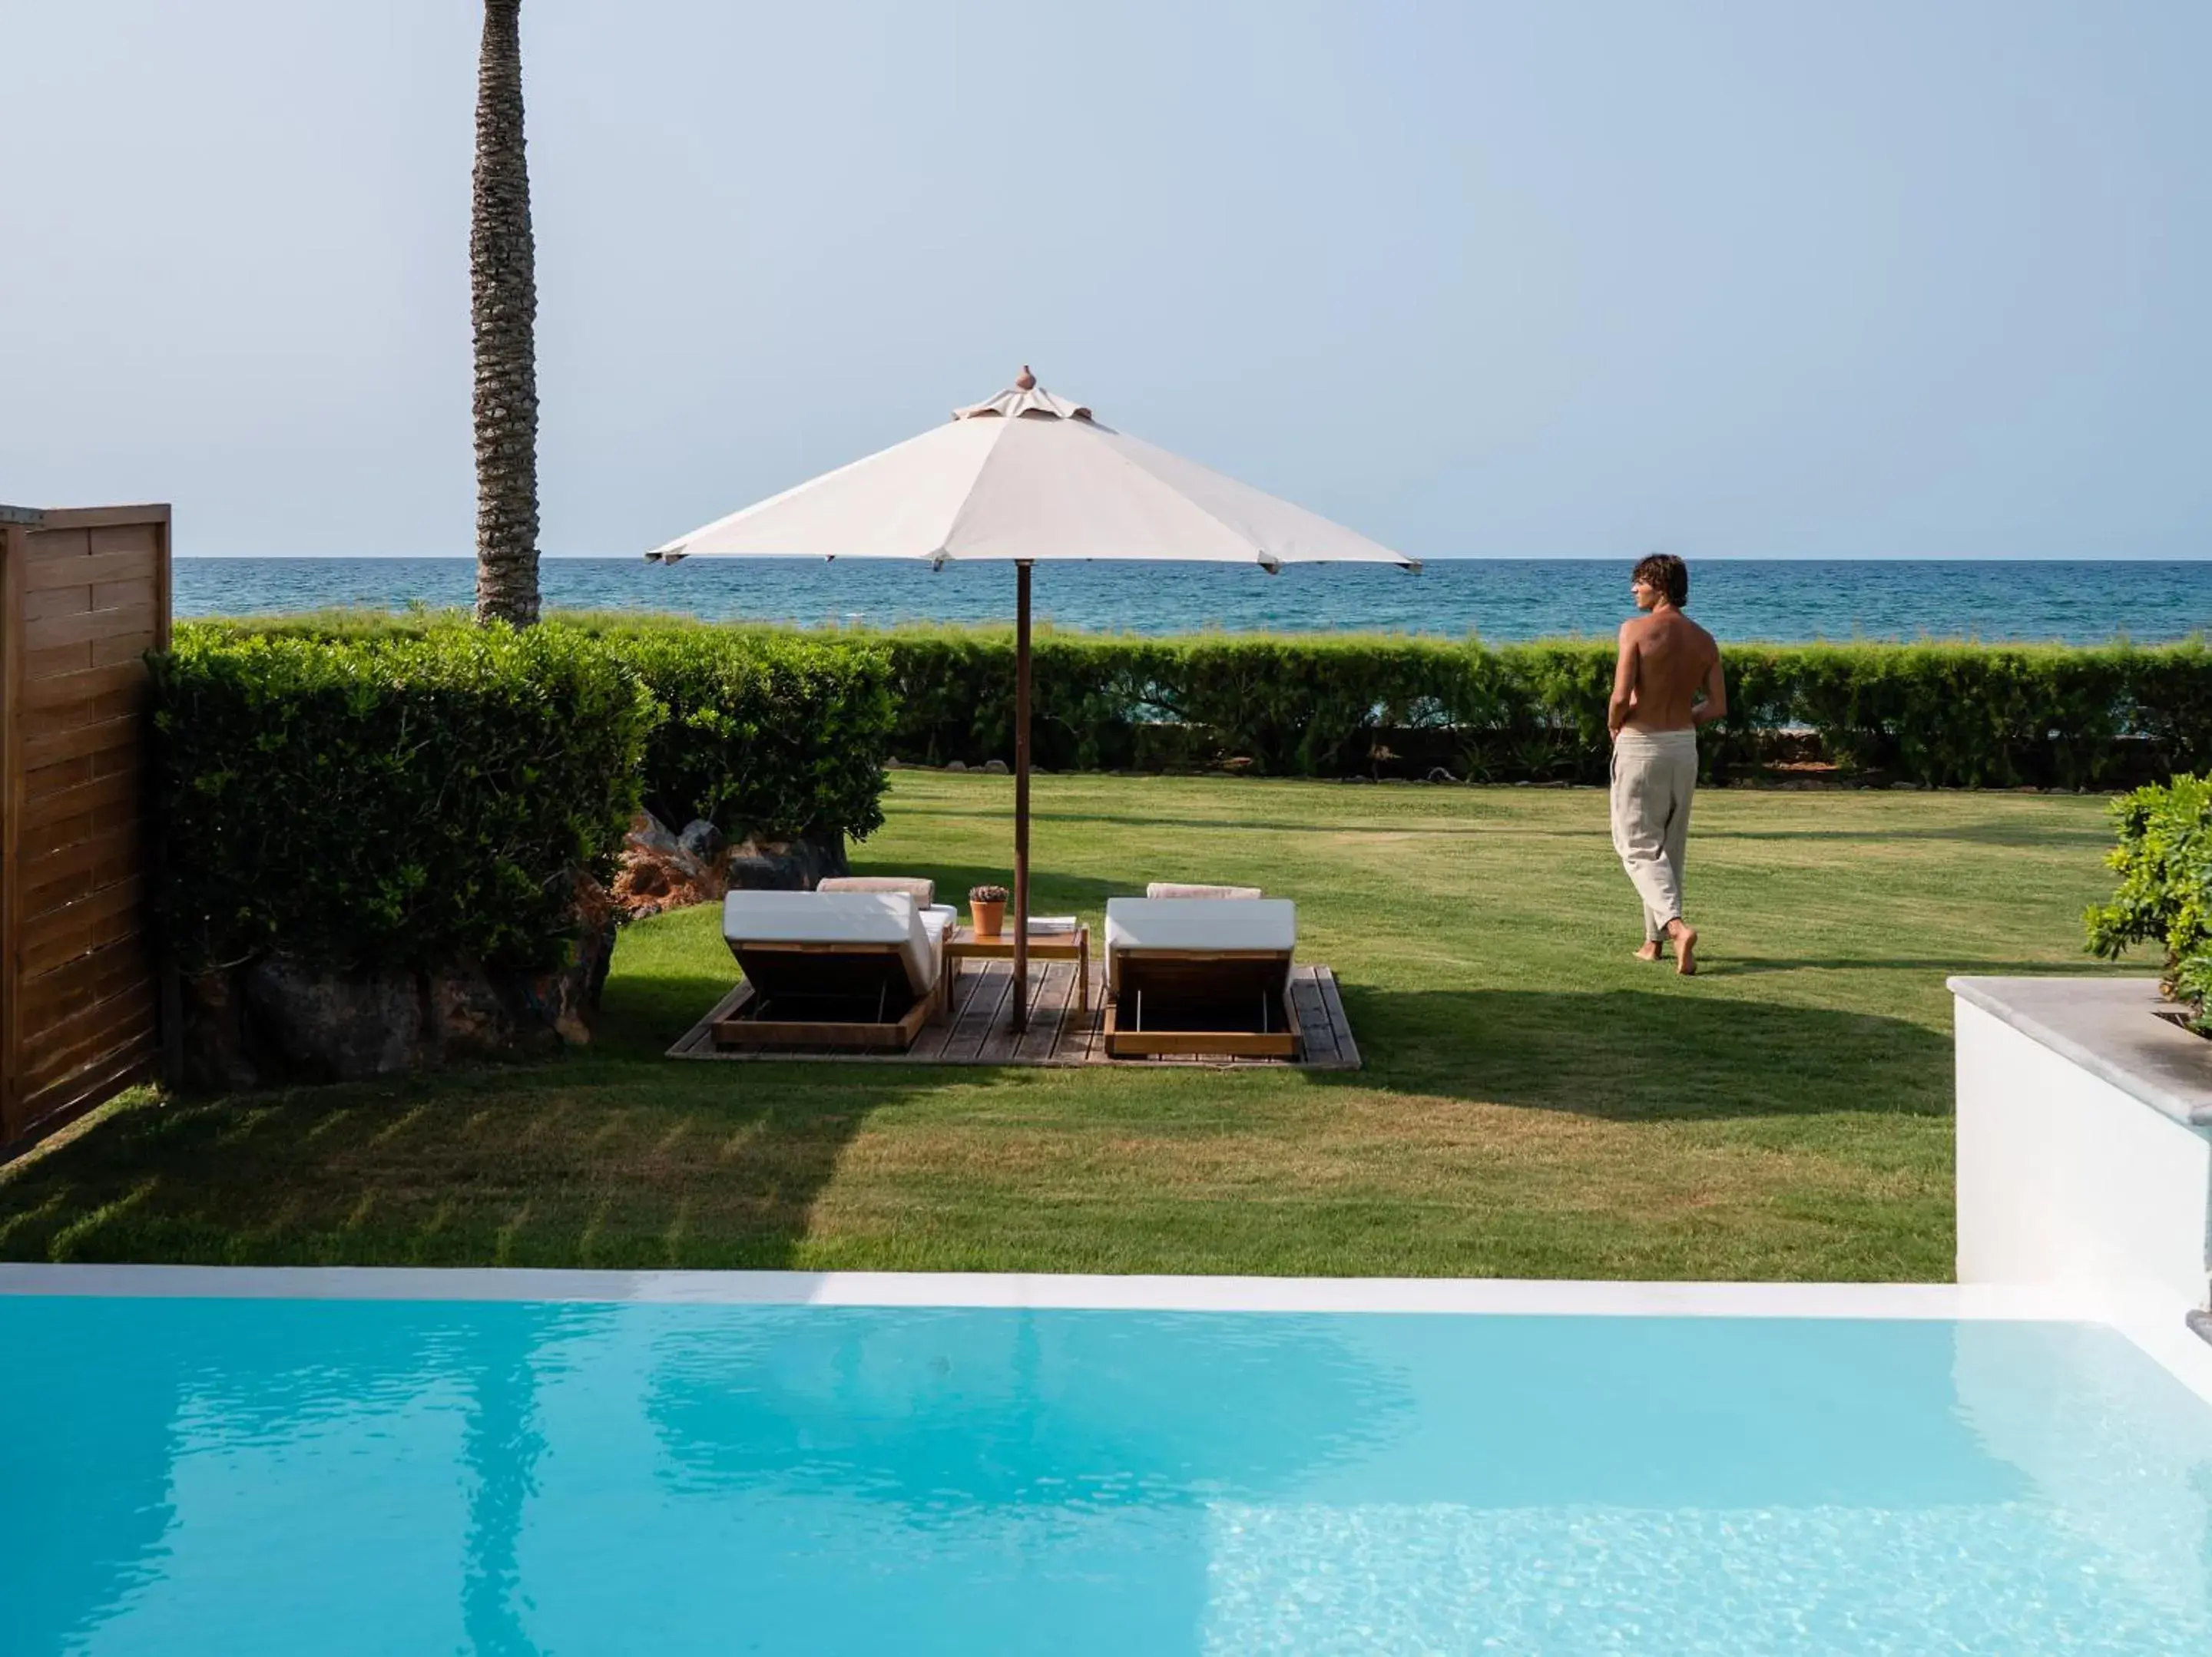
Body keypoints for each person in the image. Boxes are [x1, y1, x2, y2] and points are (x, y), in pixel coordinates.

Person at [1608, 553, 1726, 975]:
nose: (1633, 589)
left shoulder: (1635, 631)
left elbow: (1621, 696)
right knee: (1669, 847)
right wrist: (1682, 720)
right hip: (1683, 747)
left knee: (1636, 844)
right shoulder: (1705, 640)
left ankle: (1676, 928)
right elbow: (1716, 706)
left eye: (1639, 581)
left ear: (1659, 584)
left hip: (1642, 745)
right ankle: (1652, 943)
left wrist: (1614, 724)